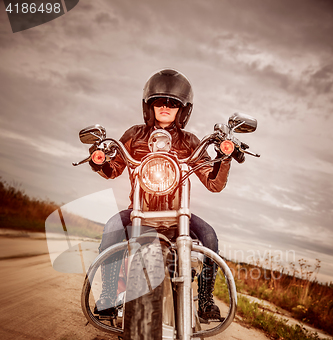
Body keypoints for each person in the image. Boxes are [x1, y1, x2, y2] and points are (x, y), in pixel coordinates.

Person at [90, 69, 244, 322]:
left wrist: (224, 158)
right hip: (140, 211)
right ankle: (107, 295)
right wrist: (100, 159)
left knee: (210, 237)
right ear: (148, 106)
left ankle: (205, 300)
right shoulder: (133, 135)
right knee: (111, 229)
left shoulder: (192, 141)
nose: (165, 106)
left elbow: (213, 184)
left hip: (178, 214)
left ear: (182, 110)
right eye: (159, 101)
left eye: (173, 103)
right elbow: (113, 169)